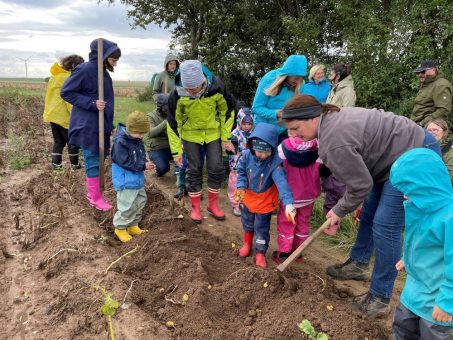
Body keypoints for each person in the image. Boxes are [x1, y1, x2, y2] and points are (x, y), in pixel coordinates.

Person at [282, 94, 441, 318]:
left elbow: (360, 186)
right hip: (389, 161)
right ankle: (359, 264)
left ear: (312, 118)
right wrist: (341, 208)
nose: (294, 134)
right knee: (369, 213)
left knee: (386, 225)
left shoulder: (333, 141)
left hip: (414, 153)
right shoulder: (329, 120)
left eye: (296, 128)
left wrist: (338, 210)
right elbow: (361, 178)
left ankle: (380, 297)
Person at [390, 148, 453, 339]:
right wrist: (408, 258)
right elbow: (422, 242)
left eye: (409, 190)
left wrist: (448, 302)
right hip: (413, 292)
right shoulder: (421, 209)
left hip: (437, 303)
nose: (404, 196)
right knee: (402, 329)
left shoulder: (448, 218)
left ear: (427, 186)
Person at [167, 60, 236, 223]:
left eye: (194, 88)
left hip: (213, 133)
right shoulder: (177, 93)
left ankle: (213, 205)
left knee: (216, 168)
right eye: (187, 88)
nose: (190, 92)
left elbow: (227, 112)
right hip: (190, 135)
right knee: (194, 169)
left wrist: (226, 138)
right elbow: (172, 124)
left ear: (202, 82)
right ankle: (196, 208)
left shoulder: (217, 87)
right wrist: (177, 151)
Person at [61, 38, 121, 211]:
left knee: (100, 157)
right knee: (93, 159)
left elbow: (107, 102)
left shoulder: (104, 73)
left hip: (101, 124)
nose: (115, 65)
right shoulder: (85, 69)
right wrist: (91, 103)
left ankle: (97, 193)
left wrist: (109, 125)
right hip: (88, 125)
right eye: (113, 60)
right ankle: (94, 197)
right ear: (104, 56)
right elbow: (66, 92)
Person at [234, 123, 296, 269]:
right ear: (252, 146)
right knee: (248, 222)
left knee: (261, 228)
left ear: (273, 148)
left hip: (265, 201)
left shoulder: (275, 163)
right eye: (258, 151)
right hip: (249, 198)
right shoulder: (247, 155)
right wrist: (241, 186)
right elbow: (242, 171)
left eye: (265, 152)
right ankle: (247, 243)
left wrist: (288, 202)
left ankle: (260, 252)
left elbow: (282, 182)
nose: (261, 155)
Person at [272, 137, 322, 264]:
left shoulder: (283, 148)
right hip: (309, 196)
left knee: (286, 223)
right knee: (303, 223)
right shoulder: (319, 148)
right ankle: (298, 252)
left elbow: (276, 168)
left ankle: (284, 253)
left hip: (290, 196)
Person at [111, 111, 155, 242]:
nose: (141, 136)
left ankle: (133, 225)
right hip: (126, 181)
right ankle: (120, 228)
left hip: (136, 179)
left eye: (143, 133)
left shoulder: (136, 139)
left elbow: (141, 156)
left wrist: (147, 163)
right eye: (139, 133)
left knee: (140, 201)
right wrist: (143, 166)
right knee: (127, 205)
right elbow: (125, 162)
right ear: (131, 129)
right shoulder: (120, 142)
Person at [252, 55, 308, 143]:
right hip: (264, 129)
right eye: (296, 78)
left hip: (285, 130)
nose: (298, 81)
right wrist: (275, 114)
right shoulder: (269, 79)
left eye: (301, 78)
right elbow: (256, 108)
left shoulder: (301, 84)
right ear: (288, 73)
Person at [43, 54, 85, 170]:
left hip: (52, 115)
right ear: (73, 66)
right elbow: (69, 99)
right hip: (64, 117)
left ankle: (56, 166)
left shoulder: (54, 76)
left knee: (58, 142)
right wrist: (76, 115)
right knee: (72, 142)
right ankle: (75, 165)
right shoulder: (69, 78)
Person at [227, 107, 254, 216]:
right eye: (244, 123)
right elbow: (230, 150)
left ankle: (245, 202)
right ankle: (236, 204)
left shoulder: (254, 133)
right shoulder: (235, 134)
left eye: (249, 123)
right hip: (237, 166)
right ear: (239, 120)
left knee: (248, 184)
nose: (247, 126)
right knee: (235, 184)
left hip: (250, 166)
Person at [411, 60, 452, 126]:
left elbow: (443, 111)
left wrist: (422, 123)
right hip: (417, 125)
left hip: (429, 127)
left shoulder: (441, 85)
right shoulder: (427, 84)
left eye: (423, 72)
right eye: (418, 73)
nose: (420, 75)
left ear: (433, 70)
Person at [147, 93, 173, 176]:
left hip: (172, 145)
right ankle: (156, 164)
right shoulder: (150, 116)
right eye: (166, 108)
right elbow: (150, 133)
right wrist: (166, 121)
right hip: (157, 147)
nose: (168, 110)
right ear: (160, 107)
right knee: (163, 169)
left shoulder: (173, 113)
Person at [426, 118, 453, 183]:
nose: (431, 133)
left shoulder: (449, 150)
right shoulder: (423, 147)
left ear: (444, 132)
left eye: (435, 130)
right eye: (429, 130)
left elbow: (449, 176)